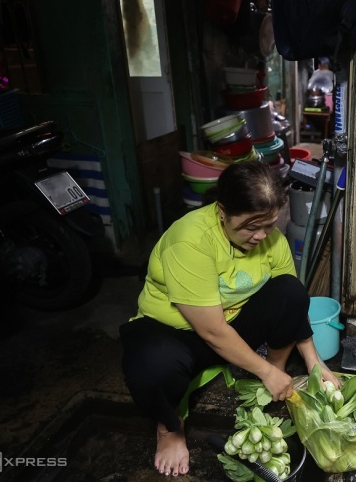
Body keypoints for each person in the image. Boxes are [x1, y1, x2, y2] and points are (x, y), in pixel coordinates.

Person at [119, 160, 339, 477]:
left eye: (270, 224)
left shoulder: (272, 240)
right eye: (251, 226)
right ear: (222, 210)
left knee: (291, 291)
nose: (262, 235)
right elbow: (210, 331)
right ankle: (170, 428)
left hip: (230, 326)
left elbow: (293, 304)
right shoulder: (191, 241)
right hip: (174, 332)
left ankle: (273, 376)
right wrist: (262, 369)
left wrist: (315, 363)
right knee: (152, 368)